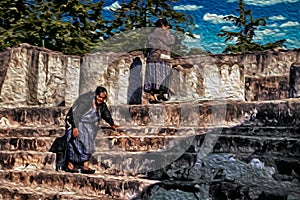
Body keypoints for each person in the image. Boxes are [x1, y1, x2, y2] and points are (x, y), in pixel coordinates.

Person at [63, 86, 118, 174]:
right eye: (99, 97)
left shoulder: (101, 105)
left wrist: (112, 124)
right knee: (75, 144)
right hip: (78, 123)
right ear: (96, 95)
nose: (101, 99)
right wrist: (75, 127)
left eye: (103, 98)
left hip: (89, 127)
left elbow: (106, 114)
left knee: (88, 145)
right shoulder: (86, 101)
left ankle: (85, 167)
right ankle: (70, 166)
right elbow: (75, 114)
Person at [144, 18, 175, 104]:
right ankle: (162, 93)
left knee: (152, 76)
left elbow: (149, 43)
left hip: (153, 57)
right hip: (165, 58)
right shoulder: (168, 35)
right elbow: (172, 41)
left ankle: (152, 95)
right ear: (165, 25)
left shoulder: (152, 34)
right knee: (164, 76)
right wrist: (167, 32)